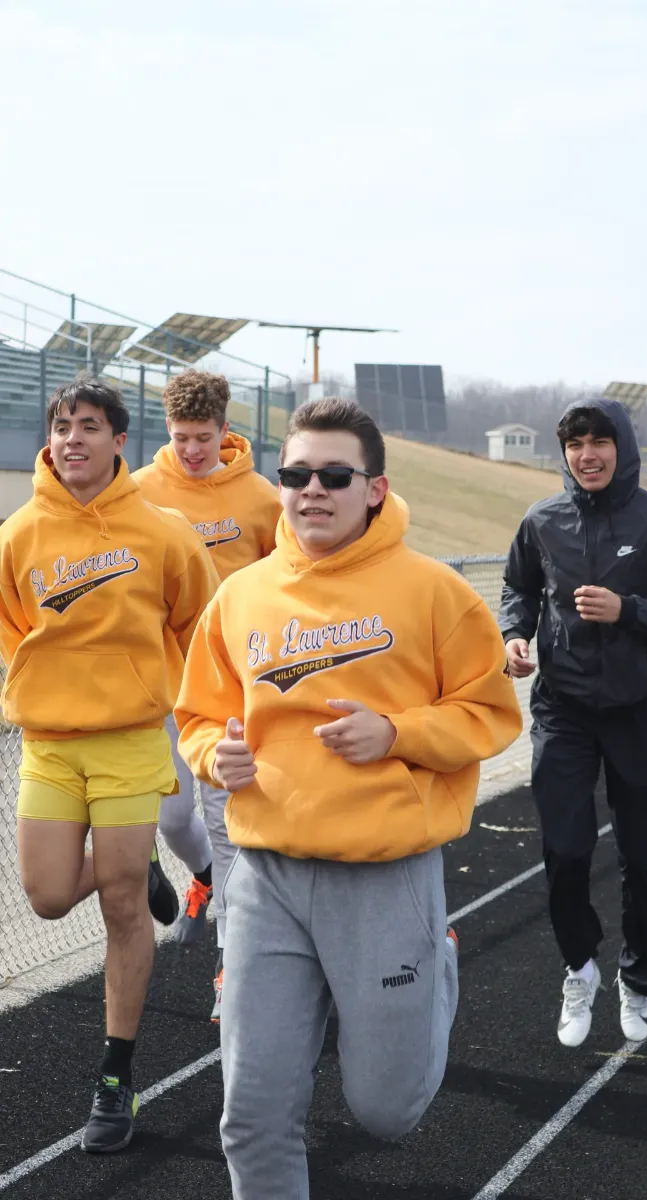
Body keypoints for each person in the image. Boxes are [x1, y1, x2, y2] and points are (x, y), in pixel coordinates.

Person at [175, 396, 522, 1199]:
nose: (312, 490)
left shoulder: (434, 592)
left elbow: (491, 711)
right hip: (264, 876)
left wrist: (395, 734)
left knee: (385, 1112)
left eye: (335, 474)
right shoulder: (243, 595)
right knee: (251, 1117)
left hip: (384, 876)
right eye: (296, 473)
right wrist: (212, 754)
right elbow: (196, 714)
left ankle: (433, 965)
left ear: (375, 487)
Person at [0, 375, 218, 1153]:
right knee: (51, 895)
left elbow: (201, 624)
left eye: (89, 426)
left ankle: (115, 1077)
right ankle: (137, 865)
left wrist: (200, 717)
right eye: (62, 426)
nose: (72, 439)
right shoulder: (19, 532)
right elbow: (12, 627)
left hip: (131, 738)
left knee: (121, 906)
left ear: (119, 440)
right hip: (52, 744)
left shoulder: (162, 533)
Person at [499, 398, 647, 1048]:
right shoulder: (542, 519)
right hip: (561, 710)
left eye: (599, 441)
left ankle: (641, 978)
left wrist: (629, 610)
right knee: (564, 852)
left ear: (621, 447)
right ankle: (581, 967)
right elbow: (519, 588)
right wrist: (514, 636)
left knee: (638, 857)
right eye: (575, 444)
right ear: (564, 454)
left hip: (635, 712)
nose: (587, 454)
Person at [133, 369, 281, 1019]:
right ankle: (201, 882)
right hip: (167, 684)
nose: (192, 450)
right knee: (170, 818)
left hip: (235, 694)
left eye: (203, 437)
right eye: (180, 437)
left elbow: (289, 579)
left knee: (229, 831)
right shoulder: (138, 491)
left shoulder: (260, 499)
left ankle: (232, 970)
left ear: (226, 431)